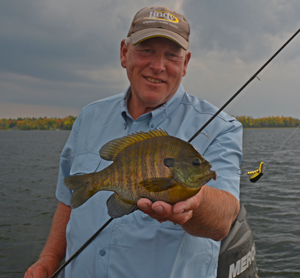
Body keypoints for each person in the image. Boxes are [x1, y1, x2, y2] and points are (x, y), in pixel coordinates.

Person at [24, 6, 242, 278]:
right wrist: (48, 260)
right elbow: (69, 200)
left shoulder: (221, 127)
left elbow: (224, 218)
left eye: (171, 55)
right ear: (124, 53)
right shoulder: (89, 116)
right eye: (146, 50)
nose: (158, 66)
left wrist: (195, 199)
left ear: (185, 64)